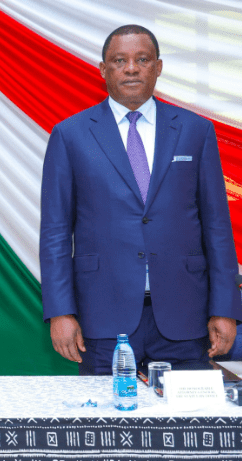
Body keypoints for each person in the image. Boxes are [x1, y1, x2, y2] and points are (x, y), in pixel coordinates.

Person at [40, 25, 242, 374]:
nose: (131, 68)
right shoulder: (70, 135)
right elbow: (56, 232)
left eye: (142, 59)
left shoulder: (196, 130)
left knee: (185, 424)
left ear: (158, 67)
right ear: (103, 69)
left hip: (185, 315)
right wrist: (61, 311)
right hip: (102, 317)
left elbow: (217, 228)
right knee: (107, 425)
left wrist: (225, 308)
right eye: (119, 60)